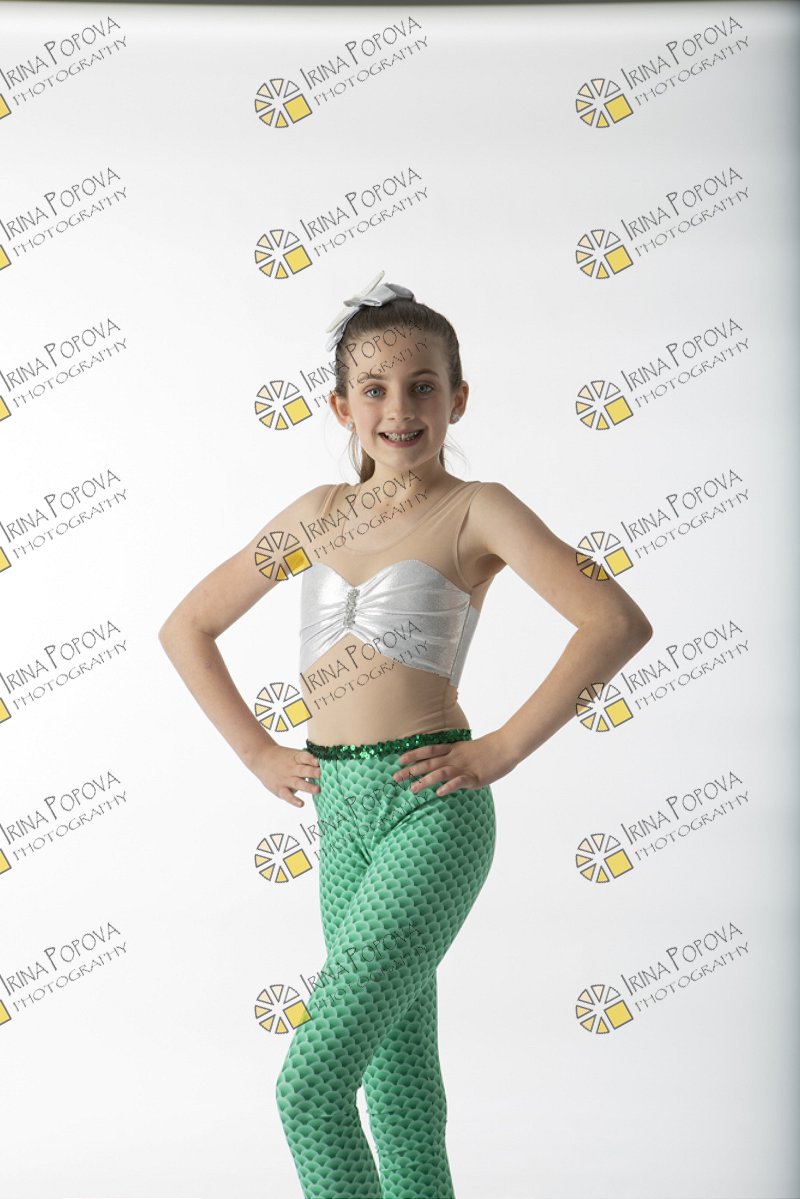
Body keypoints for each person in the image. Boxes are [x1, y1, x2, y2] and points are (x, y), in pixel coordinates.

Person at [158, 270, 653, 1199]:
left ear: (457, 398)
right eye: (376, 389)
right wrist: (257, 750)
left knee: (309, 1087)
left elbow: (615, 621)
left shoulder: (479, 508)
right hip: (338, 812)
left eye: (423, 385)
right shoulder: (314, 515)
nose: (400, 408)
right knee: (397, 1083)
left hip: (431, 807)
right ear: (341, 407)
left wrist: (501, 748)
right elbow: (187, 626)